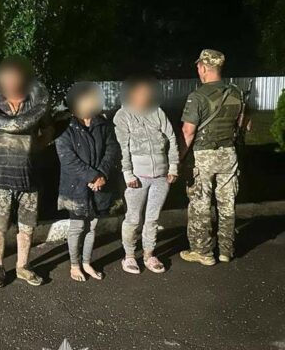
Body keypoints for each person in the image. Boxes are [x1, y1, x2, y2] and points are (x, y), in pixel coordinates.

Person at [0, 57, 54, 288]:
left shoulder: (36, 103)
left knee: (27, 227)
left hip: (29, 178)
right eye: (7, 78)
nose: (12, 82)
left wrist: (35, 148)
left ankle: (23, 266)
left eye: (16, 78)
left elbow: (48, 130)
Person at [179, 49, 244, 265]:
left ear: (204, 68)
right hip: (228, 154)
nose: (198, 69)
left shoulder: (197, 96)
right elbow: (243, 124)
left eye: (199, 66)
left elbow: (188, 132)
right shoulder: (236, 93)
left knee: (200, 203)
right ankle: (226, 250)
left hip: (203, 156)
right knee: (227, 203)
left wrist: (178, 158)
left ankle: (203, 251)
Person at [113, 76, 179, 274]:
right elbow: (122, 147)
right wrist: (127, 174)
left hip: (161, 176)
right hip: (137, 177)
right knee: (133, 219)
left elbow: (172, 138)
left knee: (153, 219)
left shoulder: (158, 112)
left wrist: (173, 166)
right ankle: (129, 256)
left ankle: (149, 254)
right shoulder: (123, 115)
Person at [56, 82, 119, 282]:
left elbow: (112, 150)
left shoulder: (103, 124)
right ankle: (75, 265)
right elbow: (68, 159)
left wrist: (102, 175)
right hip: (75, 187)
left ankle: (86, 262)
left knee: (92, 227)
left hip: (99, 186)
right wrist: (92, 176)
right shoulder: (65, 127)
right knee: (77, 227)